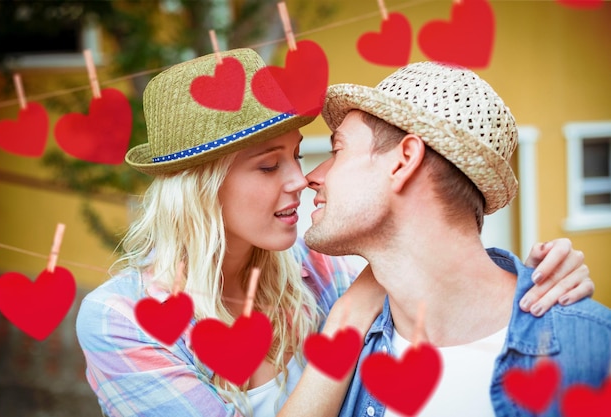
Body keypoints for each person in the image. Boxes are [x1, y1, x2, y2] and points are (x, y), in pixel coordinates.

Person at [75, 49, 594, 417]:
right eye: (267, 166)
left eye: (300, 156)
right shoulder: (123, 320)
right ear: (202, 188)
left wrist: (542, 277)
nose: (302, 180)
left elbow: (437, 262)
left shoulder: (317, 267)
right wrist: (348, 315)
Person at [301, 61, 611, 416]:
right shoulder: (342, 341)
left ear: (403, 161)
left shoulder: (593, 350)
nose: (312, 176)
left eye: (337, 150)